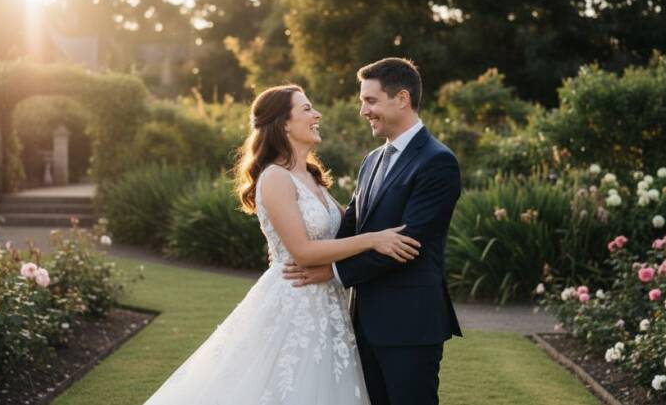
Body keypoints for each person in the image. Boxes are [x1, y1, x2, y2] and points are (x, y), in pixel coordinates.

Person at [142, 84, 421, 404]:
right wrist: (374, 240)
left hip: (328, 304)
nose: (317, 114)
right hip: (294, 301)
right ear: (284, 123)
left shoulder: (312, 178)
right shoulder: (274, 177)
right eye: (306, 109)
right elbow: (302, 251)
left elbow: (342, 231)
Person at [282, 57, 463, 405]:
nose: (363, 110)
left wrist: (331, 271)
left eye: (370, 100)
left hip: (409, 324)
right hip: (363, 321)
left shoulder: (437, 162)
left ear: (402, 99)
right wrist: (303, 245)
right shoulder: (373, 160)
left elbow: (407, 245)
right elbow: (352, 225)